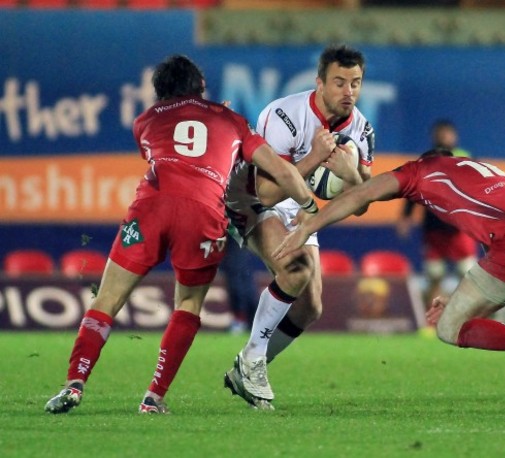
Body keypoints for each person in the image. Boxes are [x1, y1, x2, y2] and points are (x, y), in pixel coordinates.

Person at [44, 54, 319, 415]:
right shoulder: (233, 120)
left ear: (159, 93)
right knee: (188, 305)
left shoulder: (144, 120)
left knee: (106, 300)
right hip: (204, 212)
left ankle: (74, 384)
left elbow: (159, 153)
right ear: (201, 87)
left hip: (152, 209)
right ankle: (153, 398)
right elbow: (281, 171)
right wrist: (309, 208)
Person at [274, 148, 505, 411]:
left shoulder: (419, 172)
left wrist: (309, 226)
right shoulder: (478, 169)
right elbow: (494, 251)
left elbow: (361, 197)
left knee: (450, 328)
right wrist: (459, 300)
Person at [223, 44, 374, 410]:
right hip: (250, 199)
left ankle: (249, 364)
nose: (348, 92)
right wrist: (314, 158)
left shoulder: (362, 128)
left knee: (310, 307)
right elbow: (267, 190)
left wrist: (350, 175)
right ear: (319, 82)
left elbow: (362, 204)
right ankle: (253, 360)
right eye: (339, 82)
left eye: (355, 83)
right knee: (296, 270)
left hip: (298, 201)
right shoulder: (283, 115)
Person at [396, 120, 476, 303]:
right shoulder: (426, 160)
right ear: (434, 136)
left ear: (454, 136)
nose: (444, 136)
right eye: (440, 133)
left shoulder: (465, 158)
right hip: (433, 227)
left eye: (447, 133)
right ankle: (428, 321)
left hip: (460, 227)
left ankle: (468, 317)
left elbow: (478, 191)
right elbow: (413, 188)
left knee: (467, 273)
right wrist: (406, 217)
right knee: (434, 274)